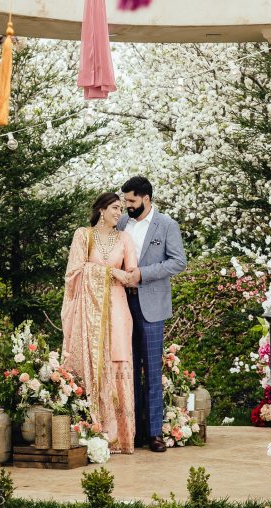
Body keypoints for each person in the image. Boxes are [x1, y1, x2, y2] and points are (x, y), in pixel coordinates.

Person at [61, 192, 137, 454]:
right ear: (101, 210)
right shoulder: (84, 235)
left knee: (117, 361)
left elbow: (132, 277)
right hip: (88, 314)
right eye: (115, 208)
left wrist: (120, 274)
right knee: (92, 364)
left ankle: (120, 437)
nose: (120, 213)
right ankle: (88, 430)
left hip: (117, 310)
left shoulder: (124, 238)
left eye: (121, 209)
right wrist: (109, 272)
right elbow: (73, 273)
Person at [117, 175, 187, 453]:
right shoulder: (121, 223)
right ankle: (134, 431)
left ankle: (155, 433)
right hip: (122, 305)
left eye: (131, 200)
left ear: (146, 198)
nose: (127, 206)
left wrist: (142, 275)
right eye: (125, 201)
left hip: (152, 306)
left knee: (153, 371)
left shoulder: (167, 225)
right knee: (129, 369)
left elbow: (178, 262)